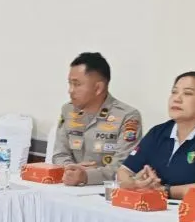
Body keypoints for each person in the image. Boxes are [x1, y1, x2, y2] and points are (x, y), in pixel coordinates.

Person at [117, 72, 195, 199]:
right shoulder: (158, 132)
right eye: (174, 92)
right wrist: (136, 184)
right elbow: (123, 171)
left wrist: (164, 190)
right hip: (155, 205)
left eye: (187, 93)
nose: (177, 99)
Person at [51, 52, 143, 186]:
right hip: (69, 187)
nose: (70, 90)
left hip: (105, 191)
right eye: (70, 84)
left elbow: (124, 167)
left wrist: (86, 176)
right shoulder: (68, 110)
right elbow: (59, 154)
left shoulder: (127, 116)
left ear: (98, 88)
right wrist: (71, 169)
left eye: (77, 84)